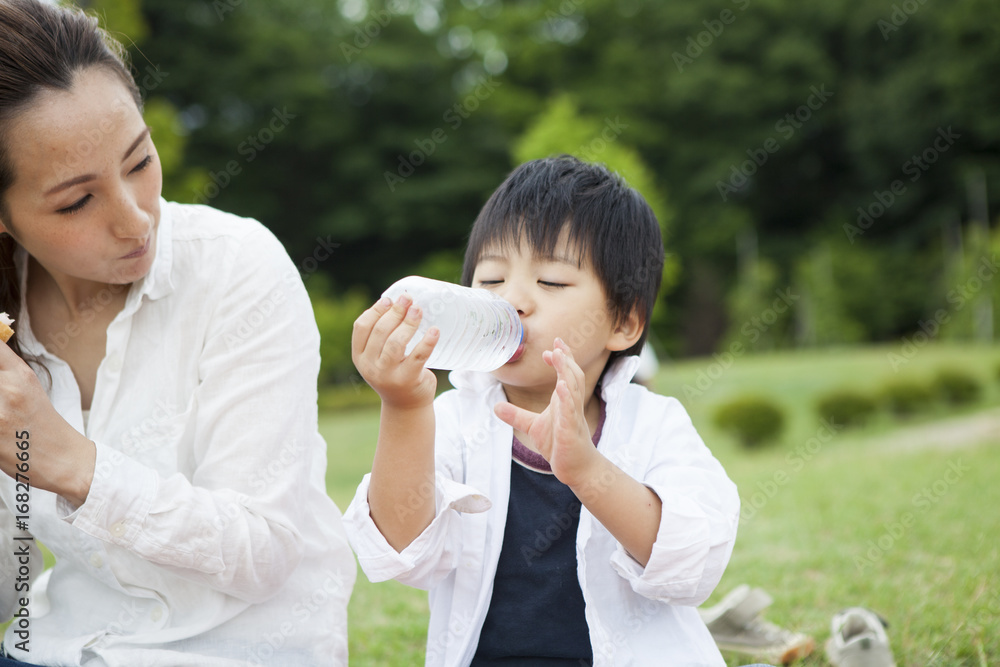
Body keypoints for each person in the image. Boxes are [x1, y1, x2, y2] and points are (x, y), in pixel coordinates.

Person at [0, 1, 355, 664]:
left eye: (139, 161)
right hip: (59, 648)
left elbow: (264, 548)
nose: (136, 220)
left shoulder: (237, 268)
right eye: (78, 201)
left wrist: (70, 462)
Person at [345, 155, 742, 665]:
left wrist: (587, 471)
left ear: (623, 322)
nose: (512, 301)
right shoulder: (451, 421)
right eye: (491, 281)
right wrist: (402, 406)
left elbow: (691, 565)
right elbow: (402, 553)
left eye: (551, 282)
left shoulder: (654, 424)